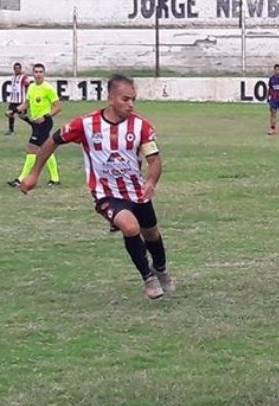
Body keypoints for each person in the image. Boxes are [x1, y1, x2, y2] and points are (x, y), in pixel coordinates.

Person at [20, 74, 175, 300]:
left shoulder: (141, 125)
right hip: (105, 193)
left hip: (136, 190)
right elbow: (53, 141)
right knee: (130, 227)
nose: (131, 104)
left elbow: (154, 159)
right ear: (110, 98)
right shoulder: (85, 124)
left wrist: (151, 181)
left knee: (151, 233)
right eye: (125, 99)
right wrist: (34, 174)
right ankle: (148, 278)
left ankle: (161, 270)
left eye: (133, 99)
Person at [7, 63, 61, 188]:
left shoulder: (48, 88)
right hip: (36, 123)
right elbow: (26, 104)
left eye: (40, 72)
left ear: (44, 73)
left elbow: (58, 107)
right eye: (36, 72)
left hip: (44, 123)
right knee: (46, 149)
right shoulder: (31, 87)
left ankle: (20, 179)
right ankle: (55, 178)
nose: (38, 74)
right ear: (33, 74)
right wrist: (14, 111)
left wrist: (46, 117)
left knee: (31, 148)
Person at [4, 62, 31, 136]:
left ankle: (34, 126)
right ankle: (11, 130)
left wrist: (27, 96)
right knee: (10, 114)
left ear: (21, 69)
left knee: (22, 116)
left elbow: (27, 85)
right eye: (16, 68)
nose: (17, 70)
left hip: (20, 100)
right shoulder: (12, 77)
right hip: (13, 100)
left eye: (19, 68)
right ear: (13, 69)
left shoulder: (24, 77)